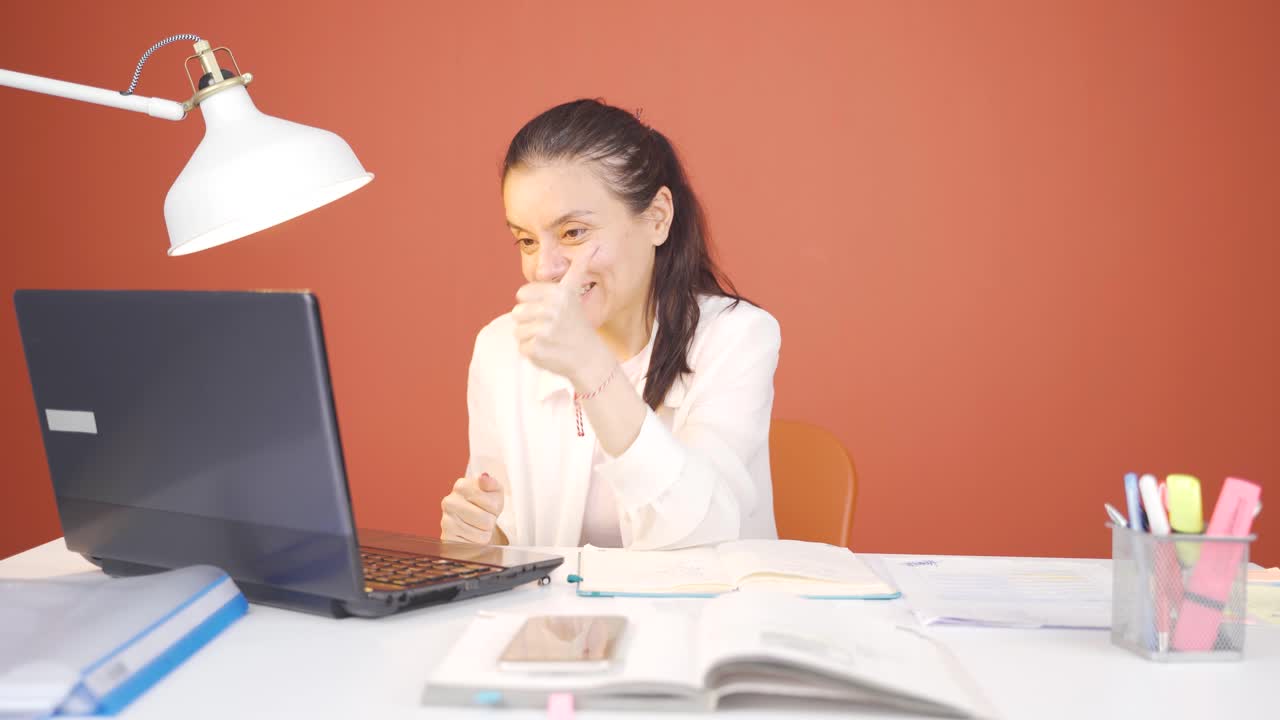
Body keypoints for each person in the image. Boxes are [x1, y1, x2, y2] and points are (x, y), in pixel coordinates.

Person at [439, 99, 780, 550]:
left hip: (701, 616)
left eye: (573, 233)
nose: (544, 269)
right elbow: (511, 542)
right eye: (525, 240)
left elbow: (701, 535)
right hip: (561, 621)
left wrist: (591, 367)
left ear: (657, 217)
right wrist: (481, 535)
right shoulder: (502, 348)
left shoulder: (738, 337)